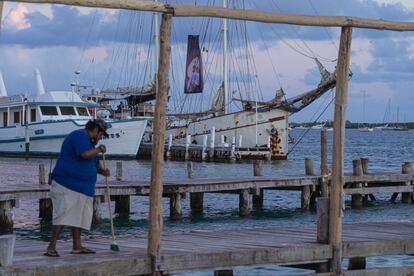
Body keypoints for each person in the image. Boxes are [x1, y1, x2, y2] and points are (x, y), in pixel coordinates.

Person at [44, 119, 111, 257]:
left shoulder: (90, 144)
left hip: (84, 188)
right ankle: (51, 246)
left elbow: (94, 163)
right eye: (101, 134)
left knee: (79, 217)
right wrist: (99, 149)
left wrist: (102, 171)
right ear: (96, 130)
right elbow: (84, 155)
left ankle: (77, 246)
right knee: (63, 215)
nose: (100, 138)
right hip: (67, 184)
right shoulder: (79, 136)